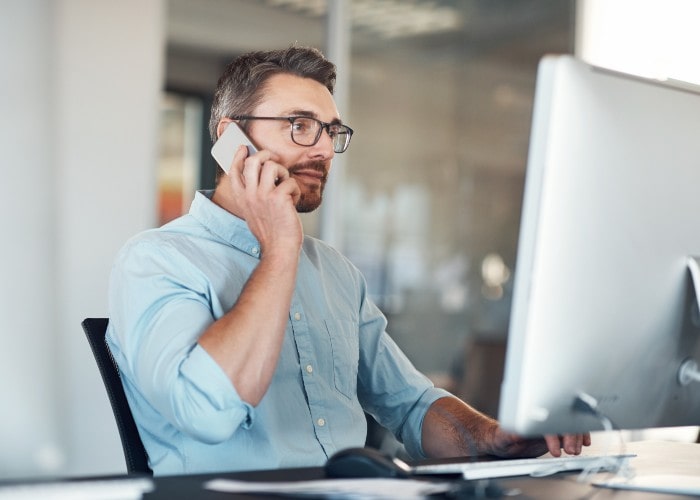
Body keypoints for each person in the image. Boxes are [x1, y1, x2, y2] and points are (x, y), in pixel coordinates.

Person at [107, 45, 590, 476]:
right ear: (231, 138)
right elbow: (206, 413)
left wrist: (492, 436)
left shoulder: (335, 272)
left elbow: (411, 405)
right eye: (300, 126)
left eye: (330, 131)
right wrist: (279, 250)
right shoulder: (156, 261)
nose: (322, 148)